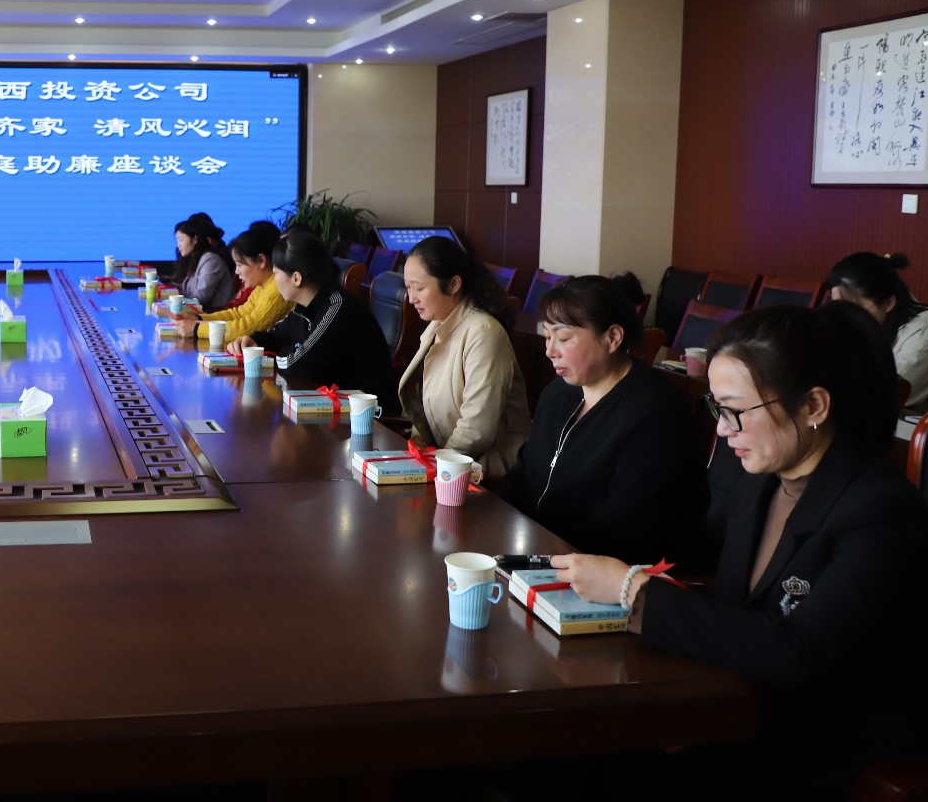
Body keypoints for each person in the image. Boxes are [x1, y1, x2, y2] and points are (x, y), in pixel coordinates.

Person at [519, 304, 928, 802]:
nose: (721, 428)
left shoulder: (879, 513)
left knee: (591, 768)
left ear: (814, 405)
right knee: (559, 750)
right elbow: (727, 599)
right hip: (739, 710)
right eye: (716, 407)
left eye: (735, 410)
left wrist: (634, 592)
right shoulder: (757, 482)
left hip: (819, 747)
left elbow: (801, 652)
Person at [496, 275, 704, 564]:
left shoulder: (656, 414)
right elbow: (524, 474)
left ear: (613, 337)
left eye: (564, 339)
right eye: (547, 337)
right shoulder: (558, 393)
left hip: (599, 569)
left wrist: (538, 553)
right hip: (539, 551)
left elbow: (624, 531)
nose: (550, 351)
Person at [395, 236, 530, 475]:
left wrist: (435, 469)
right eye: (408, 287)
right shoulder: (438, 323)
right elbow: (422, 406)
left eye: (420, 288)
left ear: (454, 284)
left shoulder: (484, 332)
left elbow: (477, 430)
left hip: (488, 472)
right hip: (450, 463)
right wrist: (419, 452)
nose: (412, 297)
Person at [230, 230, 395, 402]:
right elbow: (278, 336)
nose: (274, 280)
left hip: (367, 412)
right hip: (329, 401)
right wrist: (254, 341)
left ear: (296, 278)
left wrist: (274, 353)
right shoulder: (304, 306)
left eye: (276, 273)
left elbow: (298, 365)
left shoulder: (337, 306)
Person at [826, 250, 928, 413]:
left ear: (889, 303)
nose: (844, 315)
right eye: (837, 305)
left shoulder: (924, 332)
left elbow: (888, 392)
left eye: (854, 307)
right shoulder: (864, 322)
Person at [171, 223, 292, 346]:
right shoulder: (263, 286)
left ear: (261, 261)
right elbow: (238, 314)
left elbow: (248, 328)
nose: (237, 271)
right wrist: (199, 319)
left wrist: (196, 328)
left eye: (240, 265)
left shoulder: (276, 289)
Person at [172, 216, 235, 312]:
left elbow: (200, 300)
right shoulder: (196, 259)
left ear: (195, 239)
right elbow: (187, 291)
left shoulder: (211, 261)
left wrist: (174, 300)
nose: (178, 245)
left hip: (214, 315)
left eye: (181, 240)